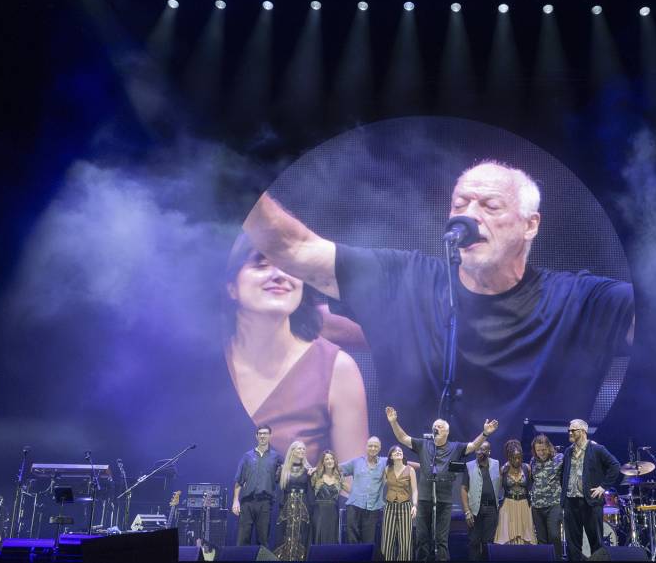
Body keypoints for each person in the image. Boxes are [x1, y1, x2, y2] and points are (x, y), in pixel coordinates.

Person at [242, 161, 636, 442]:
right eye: (459, 205)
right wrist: (236, 177)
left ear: (530, 224)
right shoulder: (402, 280)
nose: (468, 217)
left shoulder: (581, 300)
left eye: (490, 206)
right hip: (417, 507)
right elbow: (292, 246)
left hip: (534, 514)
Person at [223, 233, 368, 464]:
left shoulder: (338, 370)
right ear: (231, 287)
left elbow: (353, 481)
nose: (279, 275)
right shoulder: (204, 362)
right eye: (261, 264)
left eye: (288, 266)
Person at [386, 406, 498, 561]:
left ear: (446, 431)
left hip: (444, 501)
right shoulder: (423, 445)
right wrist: (393, 422)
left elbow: (473, 446)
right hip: (424, 500)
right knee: (422, 538)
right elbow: (403, 438)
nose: (436, 428)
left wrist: (485, 433)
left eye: (439, 426)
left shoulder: (455, 447)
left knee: (441, 540)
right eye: (434, 426)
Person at [560, 419, 621, 561]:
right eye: (569, 430)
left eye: (573, 430)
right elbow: (563, 474)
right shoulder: (568, 451)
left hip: (590, 502)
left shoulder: (597, 449)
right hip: (570, 502)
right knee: (572, 544)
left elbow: (615, 466)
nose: (570, 433)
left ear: (583, 431)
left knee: (596, 542)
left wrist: (603, 487)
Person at [232, 424, 283, 548]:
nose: (262, 436)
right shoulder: (247, 456)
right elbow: (239, 480)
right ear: (256, 436)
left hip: (265, 503)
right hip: (247, 503)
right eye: (260, 433)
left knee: (263, 540)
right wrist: (235, 501)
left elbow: (286, 473)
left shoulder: (276, 457)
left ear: (270, 436)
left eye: (265, 433)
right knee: (242, 539)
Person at [338, 437, 387, 546]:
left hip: (373, 507)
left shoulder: (384, 462)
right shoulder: (356, 462)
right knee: (352, 539)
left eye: (375, 446)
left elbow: (402, 463)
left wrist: (421, 465)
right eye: (370, 446)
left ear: (380, 448)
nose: (373, 448)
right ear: (366, 447)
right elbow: (336, 468)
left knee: (368, 541)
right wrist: (316, 469)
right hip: (354, 505)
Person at [275, 441, 316, 561]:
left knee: (302, 533)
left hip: (303, 506)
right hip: (287, 506)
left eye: (303, 449)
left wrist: (314, 473)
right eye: (299, 449)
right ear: (292, 451)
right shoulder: (283, 469)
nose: (302, 451)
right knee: (285, 533)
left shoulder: (308, 470)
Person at [460, 441, 500, 561]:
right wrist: (467, 511)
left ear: (489, 452)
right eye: (477, 449)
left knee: (488, 543)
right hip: (474, 510)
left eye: (482, 449)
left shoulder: (496, 464)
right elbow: (464, 489)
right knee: (474, 542)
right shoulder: (469, 465)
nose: (479, 452)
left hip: (491, 509)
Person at [529, 434, 564, 559]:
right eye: (538, 450)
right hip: (537, 506)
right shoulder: (533, 461)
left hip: (554, 504)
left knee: (554, 535)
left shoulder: (560, 458)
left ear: (549, 447)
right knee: (541, 539)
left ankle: (557, 559)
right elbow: (532, 481)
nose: (541, 453)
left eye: (543, 449)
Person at [494, 439, 535, 546]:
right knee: (507, 536)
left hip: (524, 504)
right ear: (509, 457)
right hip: (508, 504)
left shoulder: (527, 468)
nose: (517, 460)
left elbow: (531, 486)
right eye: (514, 458)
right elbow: (498, 488)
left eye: (519, 457)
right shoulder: (503, 470)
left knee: (525, 535)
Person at [381, 445, 417, 561]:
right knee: (387, 539)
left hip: (405, 506)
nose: (398, 452)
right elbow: (380, 486)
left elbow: (415, 490)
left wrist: (415, 505)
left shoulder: (410, 470)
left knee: (405, 540)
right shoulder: (387, 469)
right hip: (390, 506)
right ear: (391, 456)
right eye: (395, 451)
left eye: (400, 451)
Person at [310, 449, 341, 545]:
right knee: (318, 536)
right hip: (319, 512)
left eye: (332, 458)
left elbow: (350, 490)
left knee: (332, 537)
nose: (330, 461)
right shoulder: (316, 476)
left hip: (333, 512)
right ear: (323, 462)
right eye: (327, 459)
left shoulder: (339, 477)